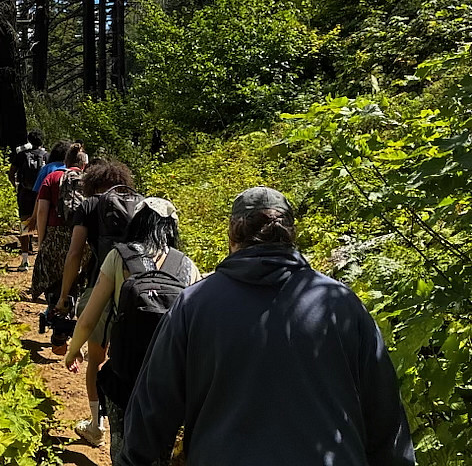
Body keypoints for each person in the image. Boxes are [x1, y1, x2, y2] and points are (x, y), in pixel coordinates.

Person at [117, 187, 416, 466]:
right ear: (291, 235)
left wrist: (135, 458)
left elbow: (151, 413)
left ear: (232, 236)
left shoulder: (194, 305)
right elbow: (386, 419)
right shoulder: (340, 304)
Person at [65, 197, 202, 462]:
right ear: (172, 228)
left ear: (136, 222)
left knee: (124, 449)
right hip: (171, 381)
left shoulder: (119, 256)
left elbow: (88, 319)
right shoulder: (187, 266)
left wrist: (74, 350)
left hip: (124, 375)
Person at [56, 160, 139, 448]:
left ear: (93, 183)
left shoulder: (90, 205)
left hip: (100, 289)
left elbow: (75, 253)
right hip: (139, 293)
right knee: (132, 359)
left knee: (95, 360)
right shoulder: (142, 205)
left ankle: (95, 425)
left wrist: (64, 296)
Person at [31, 143, 88, 300]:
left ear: (66, 162)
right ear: (84, 164)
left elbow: (42, 211)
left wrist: (42, 240)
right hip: (82, 239)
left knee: (51, 278)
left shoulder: (52, 177)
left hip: (55, 236)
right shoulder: (90, 181)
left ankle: (54, 305)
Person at [7, 130, 48, 271]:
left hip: (24, 193)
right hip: (41, 195)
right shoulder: (46, 156)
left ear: (29, 141)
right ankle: (42, 260)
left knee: (25, 224)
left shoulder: (22, 155)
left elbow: (11, 173)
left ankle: (25, 260)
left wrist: (16, 187)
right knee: (43, 225)